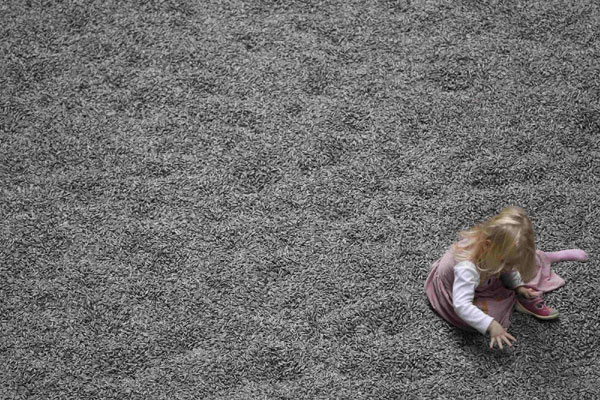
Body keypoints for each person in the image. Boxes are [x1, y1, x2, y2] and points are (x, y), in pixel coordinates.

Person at [424, 205, 589, 349]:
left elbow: (508, 268)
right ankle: (515, 302)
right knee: (487, 315)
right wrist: (491, 326)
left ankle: (548, 257)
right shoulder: (467, 269)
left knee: (522, 264)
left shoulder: (494, 251)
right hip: (454, 291)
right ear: (488, 246)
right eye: (505, 262)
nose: (509, 267)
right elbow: (461, 305)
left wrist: (518, 286)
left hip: (485, 276)